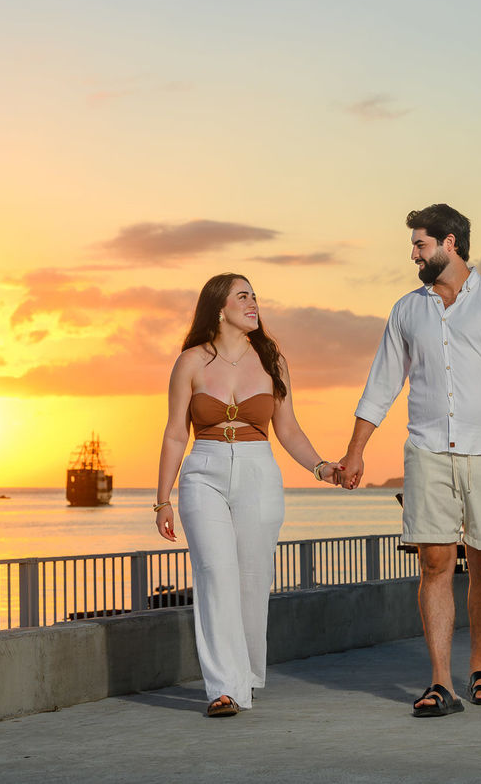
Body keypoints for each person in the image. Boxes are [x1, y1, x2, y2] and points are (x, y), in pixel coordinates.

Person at [338, 204, 481, 718]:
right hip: (427, 450)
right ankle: (440, 684)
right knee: (434, 562)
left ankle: (478, 668)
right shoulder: (407, 309)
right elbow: (381, 384)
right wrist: (356, 451)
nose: (413, 254)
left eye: (420, 244)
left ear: (450, 243)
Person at [154, 273, 342, 717]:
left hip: (259, 472)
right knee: (215, 574)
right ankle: (225, 687)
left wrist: (321, 467)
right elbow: (175, 433)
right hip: (204, 472)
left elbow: (289, 430)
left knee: (253, 581)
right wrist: (162, 498)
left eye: (255, 296)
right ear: (219, 308)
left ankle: (247, 676)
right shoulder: (190, 362)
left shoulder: (273, 361)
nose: (254, 303)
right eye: (244, 296)